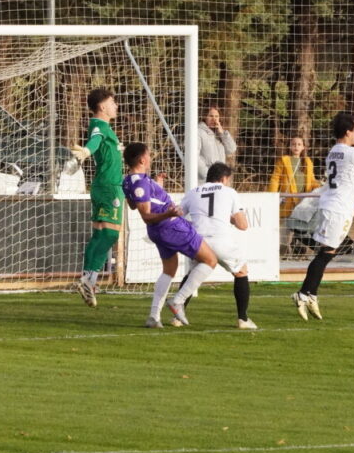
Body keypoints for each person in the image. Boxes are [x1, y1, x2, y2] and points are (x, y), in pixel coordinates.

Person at [291, 112, 354, 321]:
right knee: (327, 253)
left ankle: (311, 294)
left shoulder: (333, 152)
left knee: (326, 252)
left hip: (330, 205)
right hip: (339, 209)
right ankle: (303, 293)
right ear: (347, 131)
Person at [122, 142, 219, 328]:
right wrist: (169, 213)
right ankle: (178, 300)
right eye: (148, 155)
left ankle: (154, 316)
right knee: (210, 260)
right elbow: (146, 216)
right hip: (171, 227)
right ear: (142, 159)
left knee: (170, 268)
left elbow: (134, 204)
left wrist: (157, 185)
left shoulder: (130, 180)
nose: (150, 158)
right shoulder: (141, 183)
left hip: (160, 230)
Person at [180, 162, 256, 329]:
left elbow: (178, 214)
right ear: (223, 178)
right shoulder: (229, 192)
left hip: (198, 241)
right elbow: (242, 225)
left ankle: (177, 317)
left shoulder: (193, 192)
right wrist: (229, 217)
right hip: (220, 240)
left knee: (192, 275)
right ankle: (243, 319)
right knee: (241, 271)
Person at [69, 88, 123, 308]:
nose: (115, 105)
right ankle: (88, 279)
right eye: (112, 102)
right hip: (109, 187)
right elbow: (96, 141)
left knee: (100, 233)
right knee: (110, 234)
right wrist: (86, 152)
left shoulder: (102, 126)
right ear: (102, 106)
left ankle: (88, 280)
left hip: (101, 185)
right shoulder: (99, 126)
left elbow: (103, 144)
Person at [268, 136, 320, 220]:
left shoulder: (308, 162)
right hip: (289, 199)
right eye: (294, 144)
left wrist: (321, 187)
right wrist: (272, 195)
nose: (296, 147)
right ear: (289, 146)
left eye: (299, 144)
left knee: (300, 226)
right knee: (285, 226)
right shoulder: (284, 160)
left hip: (303, 200)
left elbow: (312, 180)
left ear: (303, 147)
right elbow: (275, 179)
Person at [197, 107, 237, 184]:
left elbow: (232, 149)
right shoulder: (199, 132)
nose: (214, 119)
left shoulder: (220, 134)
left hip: (220, 179)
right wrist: (208, 174)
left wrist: (222, 133)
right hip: (204, 180)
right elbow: (194, 157)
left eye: (216, 116)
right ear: (205, 117)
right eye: (211, 116)